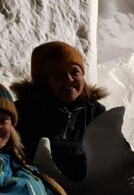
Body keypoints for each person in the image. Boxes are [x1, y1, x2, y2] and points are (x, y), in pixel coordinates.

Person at [13, 41, 107, 181]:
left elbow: (116, 151)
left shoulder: (95, 111)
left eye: (74, 71)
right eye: (57, 74)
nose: (68, 79)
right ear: (44, 81)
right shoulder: (22, 112)